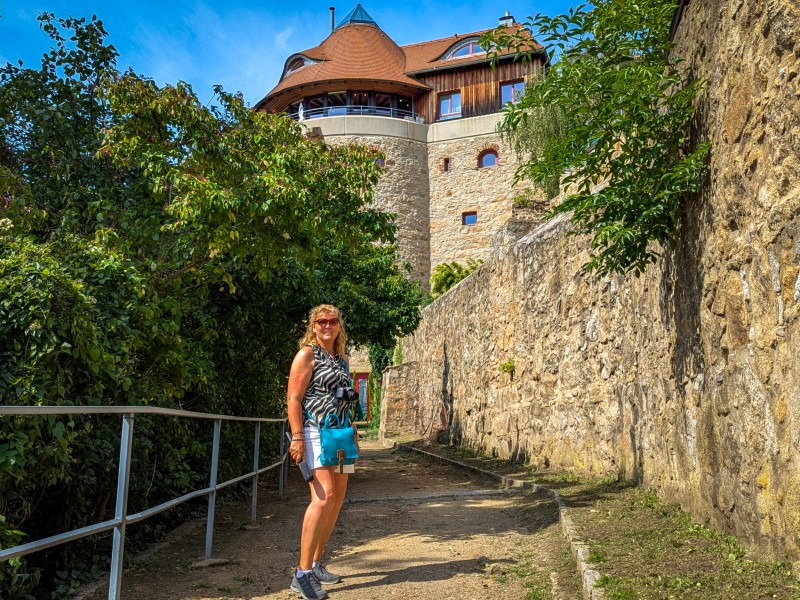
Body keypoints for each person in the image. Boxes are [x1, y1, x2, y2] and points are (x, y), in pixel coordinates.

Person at [287, 304, 358, 600]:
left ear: (339, 326)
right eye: (321, 321)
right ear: (313, 326)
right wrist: (297, 437)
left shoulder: (342, 360)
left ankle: (315, 564)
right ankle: (301, 574)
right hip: (315, 431)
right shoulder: (307, 355)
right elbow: (293, 398)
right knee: (323, 496)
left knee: (337, 499)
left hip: (341, 435)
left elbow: (345, 400)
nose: (327, 325)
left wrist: (352, 429)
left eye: (333, 321)